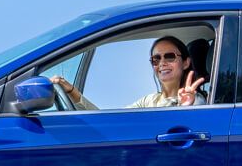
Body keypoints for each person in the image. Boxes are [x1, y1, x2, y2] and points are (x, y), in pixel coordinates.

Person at [52, 35, 207, 110]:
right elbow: (109, 122)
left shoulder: (194, 99)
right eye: (156, 59)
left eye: (170, 56)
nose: (162, 63)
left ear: (186, 62)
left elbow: (189, 127)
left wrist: (186, 106)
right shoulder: (148, 101)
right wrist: (72, 92)